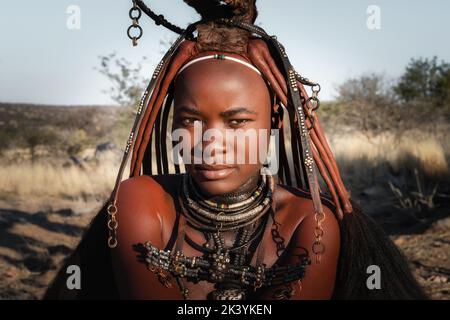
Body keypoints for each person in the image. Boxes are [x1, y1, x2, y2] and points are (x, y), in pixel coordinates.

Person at [44, 0, 427, 300]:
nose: (210, 144)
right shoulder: (139, 201)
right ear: (174, 120)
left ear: (274, 121)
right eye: (191, 120)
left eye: (237, 122)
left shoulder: (308, 222)